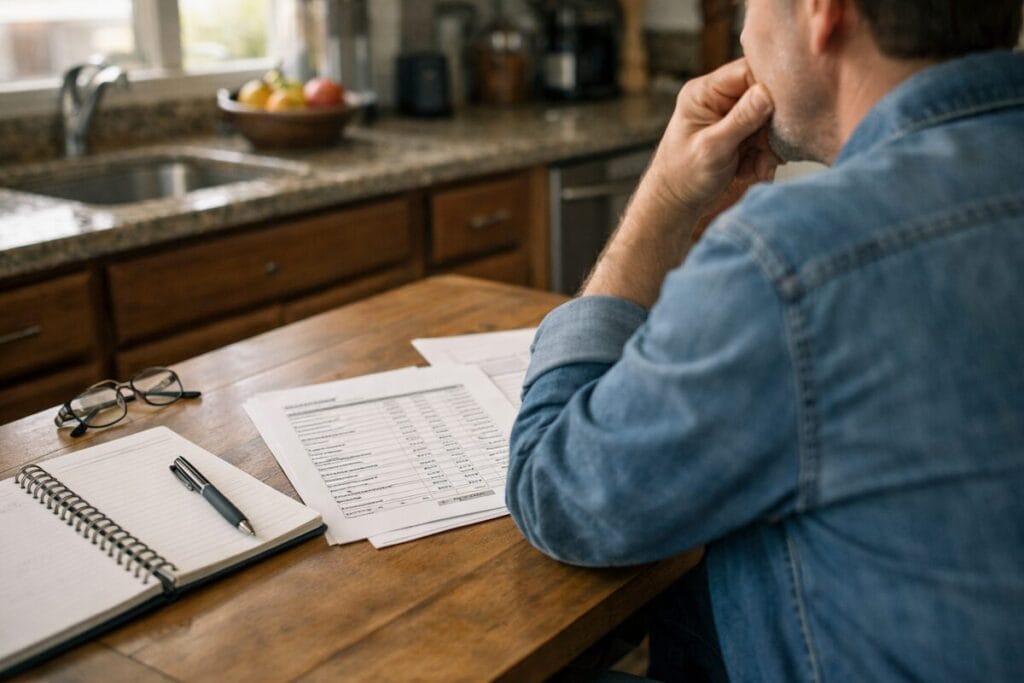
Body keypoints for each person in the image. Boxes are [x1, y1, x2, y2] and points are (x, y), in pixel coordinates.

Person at [505, 0, 1024, 680]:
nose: (744, 33)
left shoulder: (794, 260)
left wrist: (664, 200)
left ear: (822, 12)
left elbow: (556, 493)